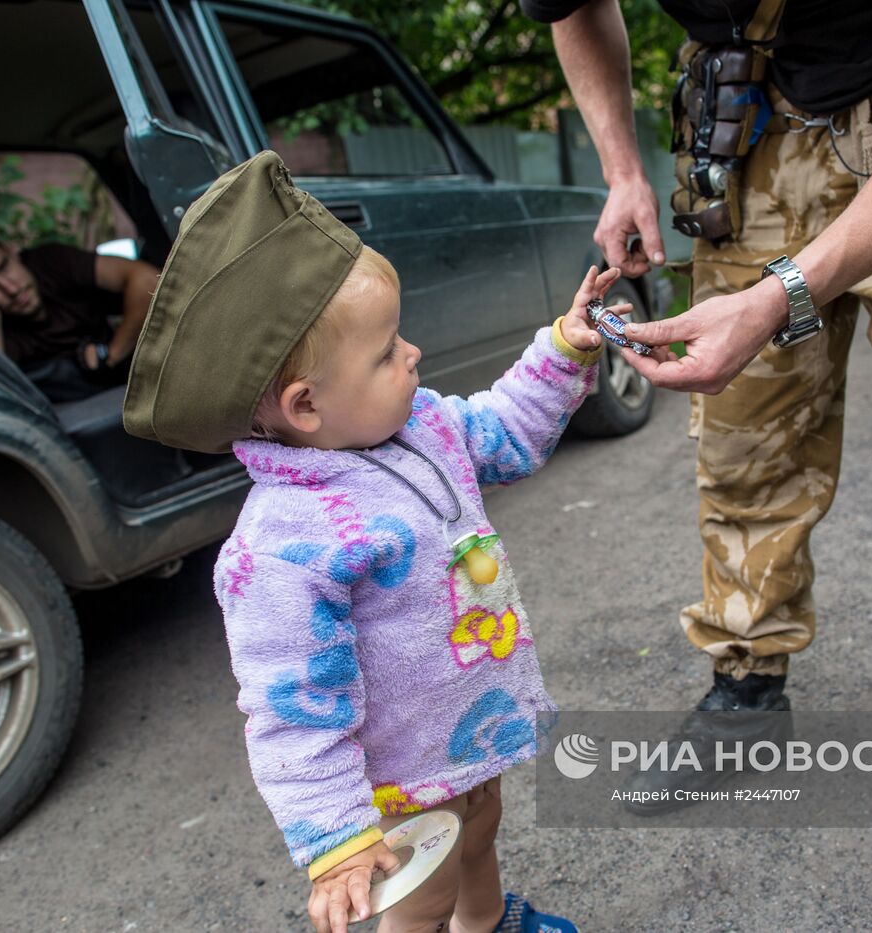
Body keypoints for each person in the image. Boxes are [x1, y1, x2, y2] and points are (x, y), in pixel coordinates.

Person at [525, 0, 872, 924]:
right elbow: (574, 8)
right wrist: (622, 170)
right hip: (740, 135)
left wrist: (781, 294)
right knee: (744, 442)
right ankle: (747, 689)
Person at [121, 150, 618, 933]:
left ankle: (488, 925)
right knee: (420, 898)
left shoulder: (421, 425)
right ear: (306, 405)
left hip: (465, 729)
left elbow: (507, 428)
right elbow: (291, 702)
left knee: (480, 832)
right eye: (386, 351)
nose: (412, 352)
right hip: (397, 774)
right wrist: (337, 838)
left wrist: (563, 349)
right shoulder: (282, 542)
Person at [0, 224, 159, 400]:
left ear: (11, 251)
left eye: (4, 267)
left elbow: (148, 280)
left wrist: (110, 355)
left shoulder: (50, 264)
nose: (10, 289)